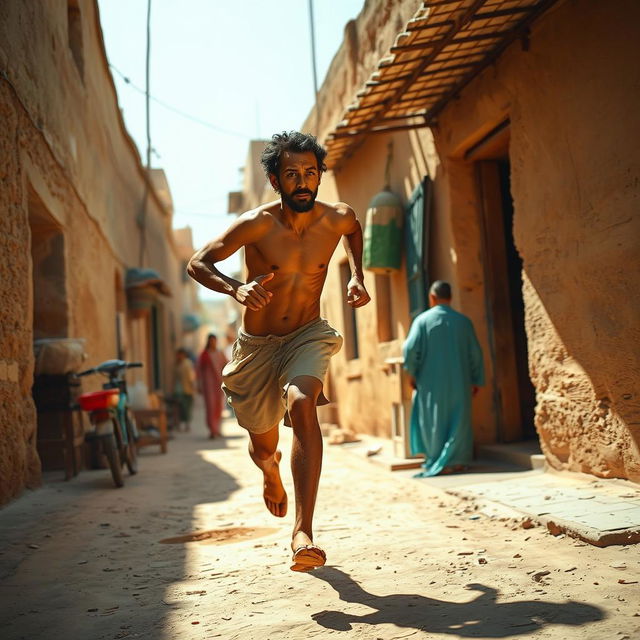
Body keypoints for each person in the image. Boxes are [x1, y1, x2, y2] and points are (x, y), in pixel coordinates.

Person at [188, 131, 370, 572]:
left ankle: (303, 532)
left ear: (320, 175)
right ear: (276, 180)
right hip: (256, 347)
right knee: (262, 443)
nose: (303, 182)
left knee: (303, 403)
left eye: (310, 172)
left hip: (307, 333)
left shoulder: (337, 218)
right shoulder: (257, 224)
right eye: (292, 174)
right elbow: (197, 262)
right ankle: (270, 472)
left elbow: (354, 230)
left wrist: (356, 276)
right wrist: (235, 288)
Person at [402, 280, 484, 477]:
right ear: (450, 297)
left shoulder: (422, 321)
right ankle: (457, 462)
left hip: (430, 383)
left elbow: (410, 350)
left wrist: (411, 373)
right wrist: (476, 379)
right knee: (459, 420)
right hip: (460, 381)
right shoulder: (464, 322)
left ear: (432, 297)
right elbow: (475, 354)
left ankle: (437, 460)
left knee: (433, 421)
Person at [196, 334, 228, 438]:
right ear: (208, 341)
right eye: (211, 341)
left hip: (219, 385)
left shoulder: (220, 353)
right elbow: (198, 370)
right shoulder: (204, 354)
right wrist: (199, 384)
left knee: (219, 407)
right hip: (208, 385)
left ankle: (217, 429)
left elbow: (227, 365)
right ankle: (212, 430)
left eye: (214, 340)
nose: (213, 343)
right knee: (210, 407)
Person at [174, 348, 196, 431]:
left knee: (187, 408)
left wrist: (193, 387)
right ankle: (179, 425)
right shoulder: (177, 364)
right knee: (180, 408)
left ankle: (187, 425)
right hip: (179, 390)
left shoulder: (187, 363)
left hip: (187, 389)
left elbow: (191, 376)